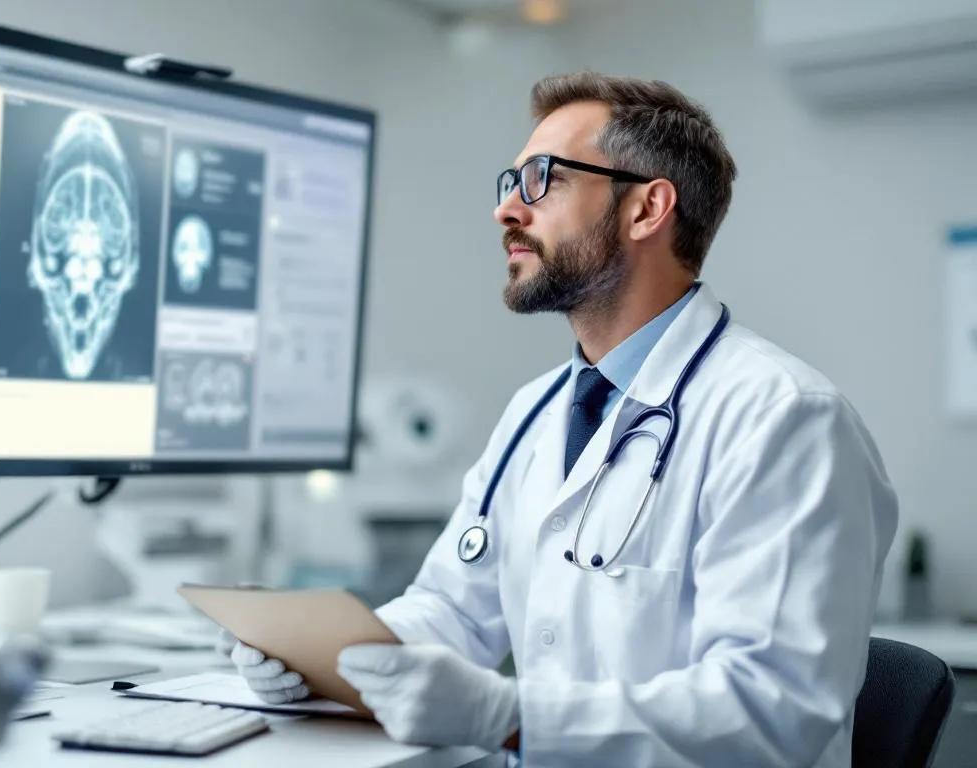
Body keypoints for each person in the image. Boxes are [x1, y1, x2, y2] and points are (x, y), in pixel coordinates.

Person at [218, 71, 899, 767]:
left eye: (542, 179)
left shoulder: (783, 420)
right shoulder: (536, 411)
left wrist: (511, 717)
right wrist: (322, 662)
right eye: (508, 183)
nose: (507, 210)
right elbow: (451, 610)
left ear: (646, 209)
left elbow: (775, 710)